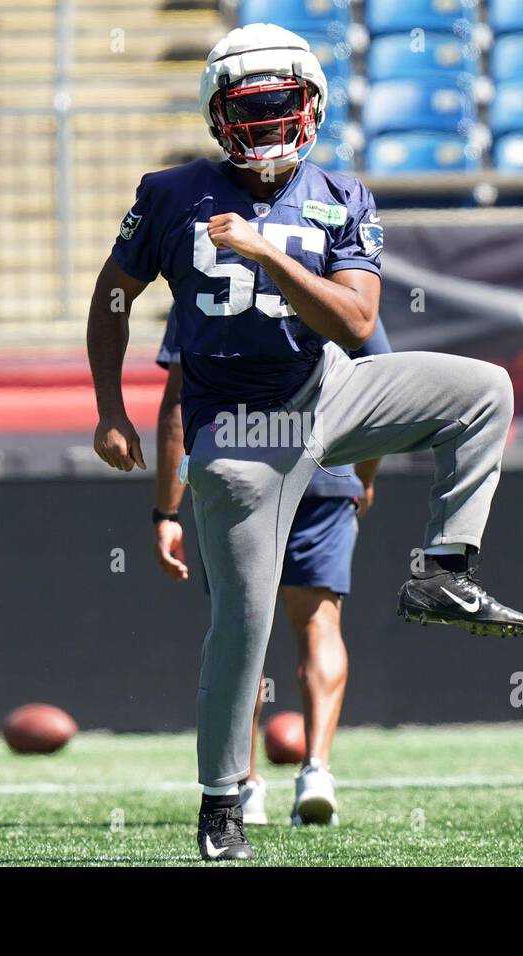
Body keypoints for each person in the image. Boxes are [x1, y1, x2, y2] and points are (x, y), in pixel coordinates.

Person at [87, 23, 523, 861]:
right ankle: (222, 806)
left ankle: (443, 571)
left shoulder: (342, 194)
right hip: (240, 434)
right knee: (244, 626)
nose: (264, 123)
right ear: (218, 114)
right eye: (248, 109)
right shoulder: (172, 191)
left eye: (278, 105)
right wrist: (110, 407)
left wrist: (261, 252)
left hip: (326, 395)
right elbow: (112, 296)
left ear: (312, 105)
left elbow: (357, 321)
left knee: (484, 391)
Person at [153, 308, 390, 827]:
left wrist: (167, 510)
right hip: (327, 468)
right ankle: (317, 772)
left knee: (243, 625)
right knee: (319, 622)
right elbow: (377, 382)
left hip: (239, 468)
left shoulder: (199, 274)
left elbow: (176, 405)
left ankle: (244, 786)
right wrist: (363, 478)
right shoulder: (328, 278)